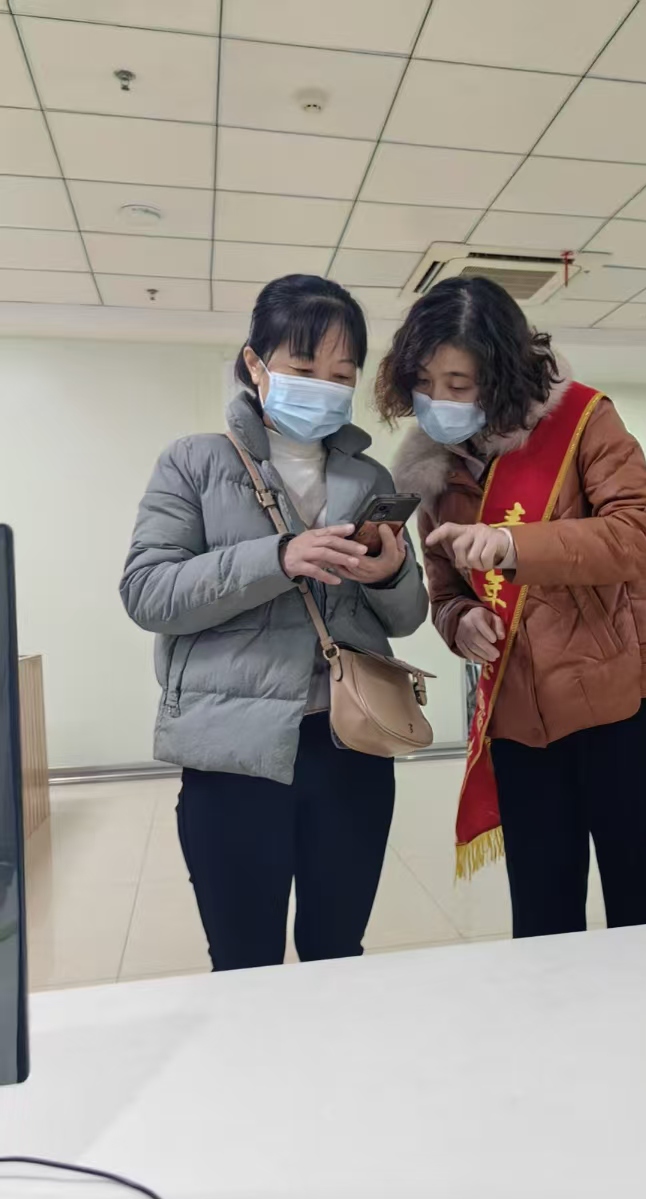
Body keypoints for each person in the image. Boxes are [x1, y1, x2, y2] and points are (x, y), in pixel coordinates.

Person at [121, 274, 428, 971]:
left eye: (341, 375)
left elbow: (408, 618)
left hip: (352, 744)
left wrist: (389, 576)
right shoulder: (194, 463)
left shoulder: (371, 480)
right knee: (243, 959)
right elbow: (146, 592)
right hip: (233, 754)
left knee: (337, 951)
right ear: (255, 364)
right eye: (303, 368)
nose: (323, 387)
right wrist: (279, 557)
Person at [379, 276, 646, 940]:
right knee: (543, 914)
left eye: (459, 383)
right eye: (425, 383)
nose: (439, 401)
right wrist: (460, 623)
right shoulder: (432, 469)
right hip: (521, 710)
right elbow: (446, 589)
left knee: (645, 909)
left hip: (622, 694)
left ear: (502, 375)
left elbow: (644, 533)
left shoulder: (581, 420)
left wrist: (513, 544)